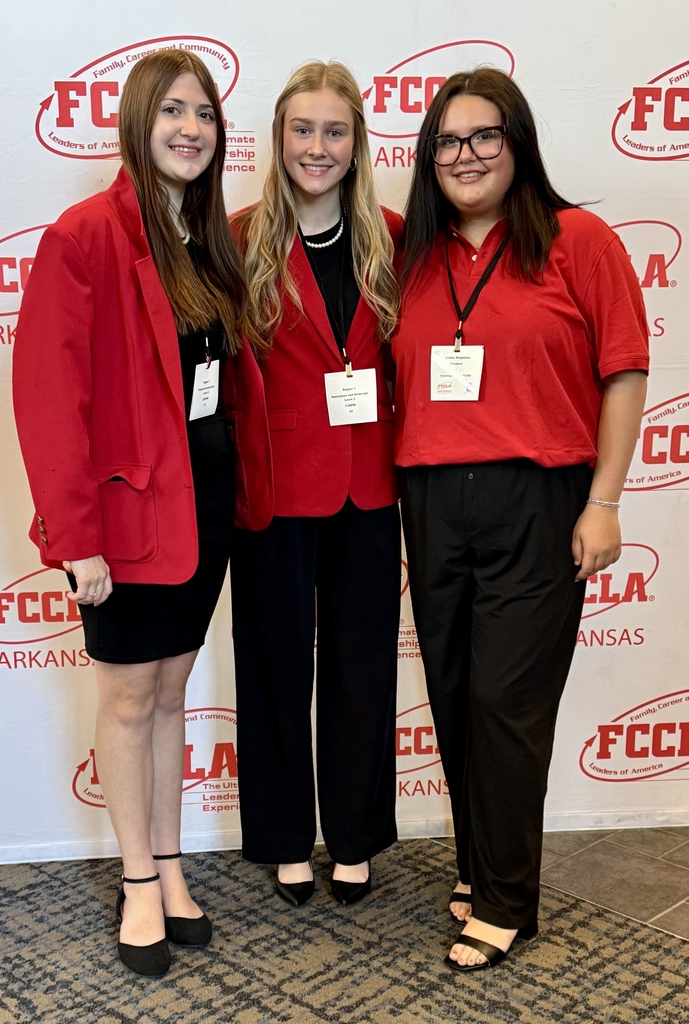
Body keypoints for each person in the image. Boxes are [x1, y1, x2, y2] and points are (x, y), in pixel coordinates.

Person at [12, 49, 271, 977]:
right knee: (127, 698)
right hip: (123, 519)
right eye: (172, 111)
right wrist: (73, 538)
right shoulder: (84, 236)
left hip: (201, 507)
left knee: (170, 692)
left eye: (204, 112)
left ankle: (167, 865)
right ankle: (134, 882)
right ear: (136, 121)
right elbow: (49, 400)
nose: (191, 128)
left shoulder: (208, 239)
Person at [392, 68, 649, 971]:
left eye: (482, 137)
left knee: (506, 704)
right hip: (428, 500)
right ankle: (477, 863)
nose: (463, 156)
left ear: (517, 141)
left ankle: (506, 899)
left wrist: (605, 500)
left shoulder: (577, 239)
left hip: (537, 500)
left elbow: (623, 373)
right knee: (458, 694)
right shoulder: (413, 256)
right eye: (446, 143)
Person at [230, 60, 402, 908]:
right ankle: (283, 837)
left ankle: (357, 834)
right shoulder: (237, 238)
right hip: (274, 491)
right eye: (303, 129)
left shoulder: (396, 237)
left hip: (370, 488)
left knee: (362, 665)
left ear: (358, 143)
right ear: (278, 138)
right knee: (272, 668)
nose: (317, 147)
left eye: (335, 131)